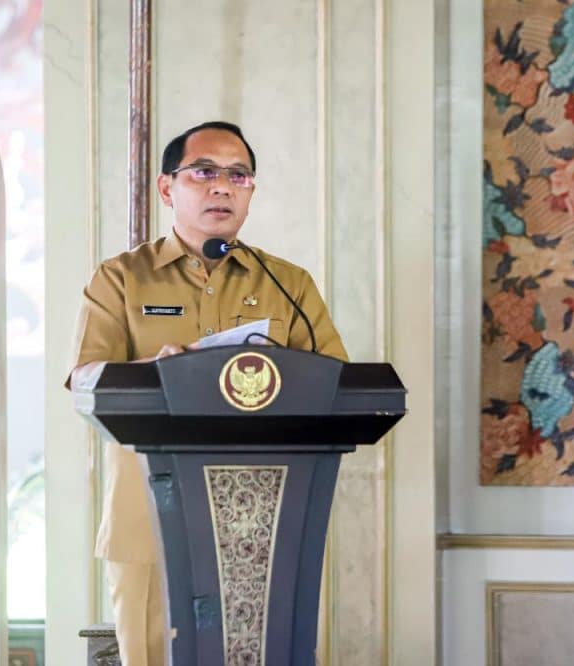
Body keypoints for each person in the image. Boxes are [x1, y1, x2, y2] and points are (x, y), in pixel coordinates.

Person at [67, 120, 348, 666]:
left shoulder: (286, 283)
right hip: (150, 515)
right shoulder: (121, 278)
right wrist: (159, 370)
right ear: (166, 188)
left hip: (263, 522)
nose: (223, 186)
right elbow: (85, 378)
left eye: (239, 175)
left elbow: (337, 383)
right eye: (204, 172)